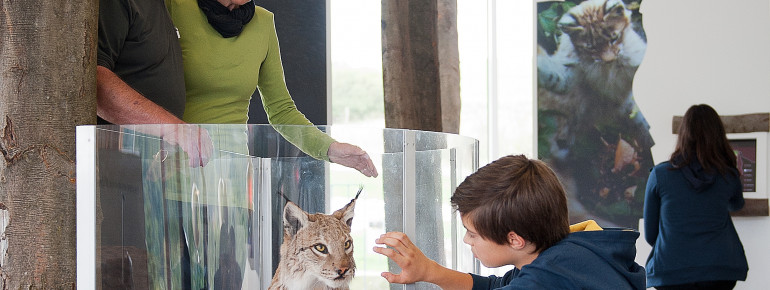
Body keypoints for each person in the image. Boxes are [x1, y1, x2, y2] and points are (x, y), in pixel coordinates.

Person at [166, 0, 378, 177]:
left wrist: (330, 149)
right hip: (174, 173)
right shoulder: (174, 7)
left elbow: (281, 110)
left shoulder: (263, 22)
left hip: (232, 178)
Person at [374, 154, 646, 289]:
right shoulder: (571, 253)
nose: (466, 240)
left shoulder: (544, 280)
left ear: (515, 239)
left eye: (472, 233)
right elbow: (497, 286)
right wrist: (429, 271)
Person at [644, 104, 748, 290]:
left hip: (671, 270)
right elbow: (736, 204)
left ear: (683, 135)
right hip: (719, 270)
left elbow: (651, 236)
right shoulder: (728, 175)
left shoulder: (660, 175)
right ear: (718, 136)